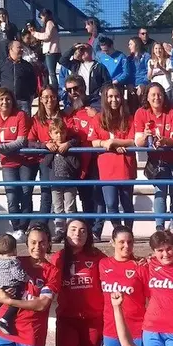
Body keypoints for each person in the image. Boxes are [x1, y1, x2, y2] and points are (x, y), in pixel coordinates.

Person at [133, 82, 173, 238]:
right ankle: (160, 228)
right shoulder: (141, 113)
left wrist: (165, 141)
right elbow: (138, 142)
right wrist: (145, 135)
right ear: (147, 97)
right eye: (153, 95)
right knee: (160, 192)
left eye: (159, 94)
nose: (157, 98)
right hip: (157, 161)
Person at [0, 87, 33, 241]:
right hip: (7, 162)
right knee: (11, 196)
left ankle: (23, 229)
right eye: (1, 99)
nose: (5, 102)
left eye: (8, 99)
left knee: (25, 194)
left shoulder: (20, 115)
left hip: (25, 160)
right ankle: (16, 227)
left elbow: (21, 141)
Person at [62, 75, 105, 241]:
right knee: (85, 195)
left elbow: (107, 123)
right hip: (77, 159)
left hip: (96, 156)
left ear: (83, 88)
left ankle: (97, 229)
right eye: (69, 90)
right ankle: (88, 227)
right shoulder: (67, 110)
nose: (73, 92)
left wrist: (97, 115)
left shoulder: (97, 105)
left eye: (76, 88)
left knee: (98, 195)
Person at [91, 83, 137, 233]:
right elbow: (93, 141)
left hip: (125, 167)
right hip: (106, 168)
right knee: (110, 203)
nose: (114, 99)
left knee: (127, 203)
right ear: (105, 98)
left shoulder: (129, 118)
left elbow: (133, 141)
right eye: (110, 96)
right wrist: (106, 143)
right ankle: (118, 232)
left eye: (117, 96)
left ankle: (128, 232)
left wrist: (115, 142)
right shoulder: (98, 118)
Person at [26, 86, 70, 234]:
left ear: (57, 98)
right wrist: (45, 144)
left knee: (68, 196)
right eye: (45, 97)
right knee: (47, 193)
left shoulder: (64, 117)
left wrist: (67, 143)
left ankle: (67, 229)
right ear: (41, 100)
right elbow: (30, 141)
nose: (49, 100)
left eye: (52, 96)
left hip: (65, 160)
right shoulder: (36, 119)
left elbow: (74, 135)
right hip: (46, 161)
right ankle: (42, 227)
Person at [0, 233, 29, 335]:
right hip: (10, 285)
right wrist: (27, 278)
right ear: (15, 250)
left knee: (0, 300)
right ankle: (4, 321)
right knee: (16, 301)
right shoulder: (12, 262)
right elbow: (18, 275)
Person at [58, 43, 111, 108]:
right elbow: (62, 61)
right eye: (81, 50)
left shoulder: (99, 66)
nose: (82, 51)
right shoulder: (76, 65)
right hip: (78, 98)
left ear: (90, 51)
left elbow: (107, 82)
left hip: (94, 99)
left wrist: (100, 92)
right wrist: (73, 48)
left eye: (85, 49)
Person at [0, 41, 37, 115]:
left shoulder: (27, 66)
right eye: (19, 48)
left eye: (22, 48)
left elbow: (33, 83)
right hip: (6, 101)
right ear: (11, 49)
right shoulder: (0, 64)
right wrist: (0, 96)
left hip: (23, 101)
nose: (22, 50)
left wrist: (29, 96)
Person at [28, 9, 60, 88]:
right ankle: (47, 87)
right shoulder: (51, 24)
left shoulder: (49, 23)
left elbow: (47, 36)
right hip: (51, 51)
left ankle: (54, 90)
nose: (41, 20)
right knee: (47, 71)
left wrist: (34, 33)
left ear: (45, 16)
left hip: (51, 51)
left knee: (51, 73)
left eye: (41, 17)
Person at [127, 36, 150, 111]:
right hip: (132, 86)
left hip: (143, 85)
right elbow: (128, 73)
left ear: (136, 45)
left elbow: (148, 71)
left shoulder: (146, 56)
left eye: (130, 44)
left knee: (143, 107)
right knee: (132, 108)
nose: (129, 46)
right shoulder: (129, 58)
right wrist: (129, 84)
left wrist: (143, 84)